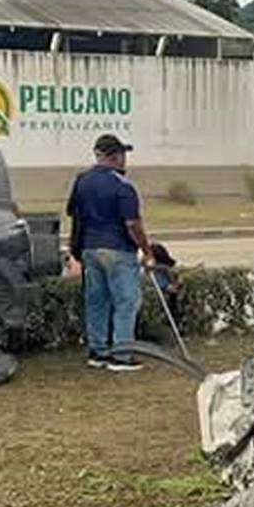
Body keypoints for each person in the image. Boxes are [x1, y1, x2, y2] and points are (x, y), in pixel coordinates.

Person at [66, 134, 155, 372]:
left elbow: (74, 214)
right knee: (126, 302)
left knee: (97, 301)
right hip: (118, 248)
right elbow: (132, 224)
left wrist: (75, 248)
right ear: (115, 157)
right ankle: (121, 355)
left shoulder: (81, 181)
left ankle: (98, 352)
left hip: (89, 248)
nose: (125, 159)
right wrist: (146, 250)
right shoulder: (123, 185)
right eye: (123, 155)